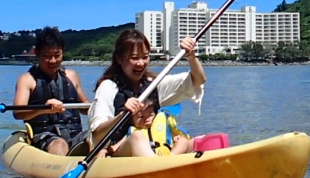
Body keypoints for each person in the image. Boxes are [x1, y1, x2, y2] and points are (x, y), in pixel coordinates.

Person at [89, 28, 205, 157]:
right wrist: (122, 115)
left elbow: (198, 80)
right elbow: (97, 133)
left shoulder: (153, 84)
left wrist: (191, 56)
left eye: (145, 57)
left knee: (196, 143)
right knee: (137, 137)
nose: (141, 63)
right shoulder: (108, 87)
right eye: (134, 58)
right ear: (119, 59)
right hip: (119, 154)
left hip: (154, 151)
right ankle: (160, 169)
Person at [12, 27, 89, 156]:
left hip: (74, 134)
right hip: (44, 136)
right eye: (47, 56)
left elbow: (84, 105)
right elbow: (18, 112)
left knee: (97, 136)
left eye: (57, 55)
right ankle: (60, 171)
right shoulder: (27, 80)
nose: (53, 60)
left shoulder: (72, 76)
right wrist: (44, 109)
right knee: (59, 144)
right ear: (37, 53)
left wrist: (100, 106)